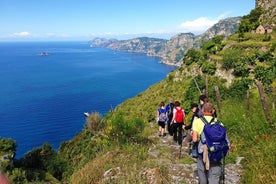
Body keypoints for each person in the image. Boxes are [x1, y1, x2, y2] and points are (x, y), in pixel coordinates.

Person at [192, 102, 224, 184]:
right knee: (214, 176)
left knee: (202, 172)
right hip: (216, 152)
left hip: (203, 152)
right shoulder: (219, 123)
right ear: (213, 111)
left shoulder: (197, 122)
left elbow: (195, 139)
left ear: (202, 111)